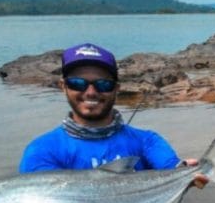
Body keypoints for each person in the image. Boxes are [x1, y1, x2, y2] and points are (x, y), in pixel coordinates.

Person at [20, 42, 188, 173]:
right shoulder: (42, 150)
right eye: (77, 83)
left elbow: (172, 168)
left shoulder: (147, 140)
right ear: (63, 86)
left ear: (117, 88)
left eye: (103, 84)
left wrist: (187, 171)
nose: (91, 92)